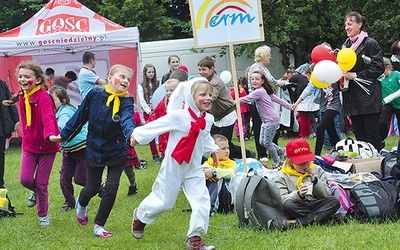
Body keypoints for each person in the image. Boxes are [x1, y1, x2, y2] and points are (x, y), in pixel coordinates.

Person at [131, 78, 219, 250]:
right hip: (174, 166)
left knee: (202, 200)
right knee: (165, 202)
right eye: (203, 94)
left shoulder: (208, 119)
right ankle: (141, 216)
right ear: (190, 96)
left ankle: (194, 239)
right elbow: (157, 125)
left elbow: (204, 135)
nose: (208, 98)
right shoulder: (179, 116)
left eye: (210, 94)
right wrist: (138, 136)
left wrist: (213, 149)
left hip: (194, 168)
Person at [52, 64, 136, 238]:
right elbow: (80, 116)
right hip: (94, 148)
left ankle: (99, 225)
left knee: (111, 188)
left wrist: (131, 135)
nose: (126, 81)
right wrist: (64, 135)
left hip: (116, 150)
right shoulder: (95, 94)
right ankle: (81, 204)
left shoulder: (127, 100)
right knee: (91, 188)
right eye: (122, 76)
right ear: (110, 76)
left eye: (128, 79)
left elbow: (127, 119)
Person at [3, 61, 60, 226]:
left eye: (27, 77)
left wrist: (50, 135)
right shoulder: (23, 95)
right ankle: (37, 192)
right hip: (29, 145)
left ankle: (43, 215)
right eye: (20, 76)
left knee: (41, 183)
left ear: (37, 80)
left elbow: (48, 117)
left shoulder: (43, 97)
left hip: (47, 146)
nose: (22, 79)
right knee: (25, 179)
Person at [340, 11, 385, 151]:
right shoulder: (345, 45)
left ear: (359, 24)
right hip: (352, 97)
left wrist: (357, 75)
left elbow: (378, 68)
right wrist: (341, 83)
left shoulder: (370, 43)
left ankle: (376, 161)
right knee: (358, 133)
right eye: (345, 25)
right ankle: (364, 162)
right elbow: (342, 69)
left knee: (371, 133)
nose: (347, 27)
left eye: (350, 24)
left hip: (368, 97)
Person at [198, 56, 255, 159]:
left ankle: (246, 155)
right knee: (215, 141)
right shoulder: (206, 81)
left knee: (223, 143)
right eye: (199, 69)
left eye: (204, 69)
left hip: (226, 115)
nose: (201, 72)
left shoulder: (215, 82)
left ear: (211, 69)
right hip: (218, 117)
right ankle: (239, 156)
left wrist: (200, 103)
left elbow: (212, 97)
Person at [274, 138, 341, 227]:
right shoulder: (282, 175)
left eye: (307, 162)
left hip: (315, 203)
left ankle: (300, 223)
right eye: (301, 163)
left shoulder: (317, 169)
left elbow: (327, 194)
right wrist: (298, 194)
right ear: (290, 161)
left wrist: (315, 181)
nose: (305, 166)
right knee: (288, 205)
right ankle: (325, 218)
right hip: (297, 206)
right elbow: (281, 200)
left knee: (334, 202)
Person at [239, 71, 292, 169]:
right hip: (266, 121)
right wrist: (289, 106)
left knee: (267, 142)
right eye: (252, 79)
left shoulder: (259, 91)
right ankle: (282, 151)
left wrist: (233, 102)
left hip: (271, 120)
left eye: (257, 79)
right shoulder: (263, 90)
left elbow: (245, 99)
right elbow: (277, 99)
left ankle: (277, 162)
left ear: (262, 81)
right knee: (262, 142)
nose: (254, 81)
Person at [48, 86, 87, 212]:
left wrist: (51, 135)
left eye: (53, 99)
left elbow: (62, 127)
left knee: (80, 179)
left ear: (63, 100)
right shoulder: (55, 112)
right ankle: (69, 202)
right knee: (64, 178)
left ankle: (99, 187)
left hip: (81, 148)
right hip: (68, 150)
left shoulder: (65, 111)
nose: (50, 102)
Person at [292, 78, 342, 156]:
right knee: (331, 130)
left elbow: (344, 87)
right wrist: (297, 103)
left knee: (320, 128)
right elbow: (308, 89)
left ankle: (317, 155)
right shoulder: (319, 75)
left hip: (334, 105)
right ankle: (340, 149)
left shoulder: (336, 73)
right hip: (324, 106)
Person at [146, 78, 180, 161]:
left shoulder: (183, 104)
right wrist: (147, 125)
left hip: (178, 135)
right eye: (167, 90)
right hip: (165, 136)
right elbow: (154, 115)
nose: (168, 93)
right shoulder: (163, 103)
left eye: (171, 90)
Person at [203, 134, 236, 216]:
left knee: (219, 178)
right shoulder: (209, 162)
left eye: (228, 148)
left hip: (226, 197)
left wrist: (214, 173)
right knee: (204, 176)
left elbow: (231, 173)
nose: (227, 151)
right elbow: (202, 171)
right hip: (210, 192)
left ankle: (212, 207)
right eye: (223, 148)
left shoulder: (232, 163)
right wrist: (207, 175)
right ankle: (206, 206)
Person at [138, 63, 162, 163]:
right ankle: (154, 154)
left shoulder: (158, 82)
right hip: (148, 112)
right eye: (149, 72)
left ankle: (163, 152)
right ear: (145, 73)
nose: (151, 74)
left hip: (158, 109)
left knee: (162, 131)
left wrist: (158, 109)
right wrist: (149, 111)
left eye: (152, 72)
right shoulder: (141, 85)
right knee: (151, 132)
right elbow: (141, 100)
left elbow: (160, 95)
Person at [0, 79, 20, 188]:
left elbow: (10, 102)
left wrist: (16, 119)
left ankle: (0, 184)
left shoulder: (2, 84)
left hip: (1, 126)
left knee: (0, 155)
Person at [378, 57, 400, 148]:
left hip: (398, 104)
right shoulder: (381, 78)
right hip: (389, 105)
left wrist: (388, 98)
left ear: (387, 67)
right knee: (382, 122)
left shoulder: (396, 74)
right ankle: (381, 140)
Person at [230, 77, 250, 141]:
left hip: (236, 109)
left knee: (236, 122)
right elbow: (246, 99)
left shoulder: (232, 91)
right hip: (242, 109)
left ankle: (239, 134)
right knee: (242, 122)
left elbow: (230, 100)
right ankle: (243, 133)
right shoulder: (242, 90)